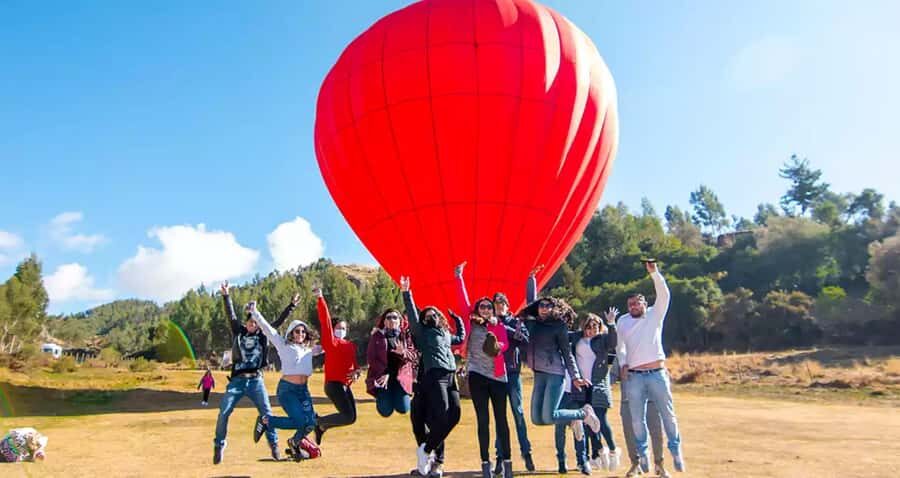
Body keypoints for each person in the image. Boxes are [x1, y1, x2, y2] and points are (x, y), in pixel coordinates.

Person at [213, 281, 298, 464]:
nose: (253, 324)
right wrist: (226, 295)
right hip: (237, 381)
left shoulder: (263, 334)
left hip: (256, 381)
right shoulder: (238, 331)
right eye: (250, 322)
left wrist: (291, 306)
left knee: (267, 413)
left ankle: (274, 446)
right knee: (223, 412)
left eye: (256, 322)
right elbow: (231, 314)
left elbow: (278, 322)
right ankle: (219, 445)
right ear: (246, 323)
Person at [616, 261, 684, 473]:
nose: (633, 307)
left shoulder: (655, 314)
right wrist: (623, 363)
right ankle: (642, 454)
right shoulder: (623, 321)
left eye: (637, 303)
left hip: (657, 373)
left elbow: (664, 295)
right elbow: (620, 346)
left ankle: (675, 450)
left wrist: (654, 273)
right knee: (637, 418)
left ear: (645, 304)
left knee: (667, 414)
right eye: (630, 305)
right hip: (635, 376)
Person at [519, 267, 602, 433]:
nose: (544, 308)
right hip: (539, 374)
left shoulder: (559, 326)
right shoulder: (533, 323)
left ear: (554, 308)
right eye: (541, 305)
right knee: (537, 419)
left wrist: (575, 377)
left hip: (555, 374)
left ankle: (582, 413)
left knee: (549, 416)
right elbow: (530, 301)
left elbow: (567, 353)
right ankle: (573, 418)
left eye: (548, 306)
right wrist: (531, 279)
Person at [401, 275, 466, 477]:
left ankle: (427, 450)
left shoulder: (445, 334)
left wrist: (458, 319)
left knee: (455, 414)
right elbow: (413, 316)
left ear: (440, 317)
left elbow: (460, 337)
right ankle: (430, 453)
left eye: (434, 314)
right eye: (428, 315)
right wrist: (406, 292)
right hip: (435, 375)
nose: (432, 317)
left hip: (451, 375)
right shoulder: (422, 333)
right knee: (441, 414)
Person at [455, 262, 513, 478]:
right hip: (477, 375)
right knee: (483, 420)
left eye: (489, 307)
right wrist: (459, 277)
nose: (486, 310)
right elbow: (463, 301)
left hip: (498, 376)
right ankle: (485, 463)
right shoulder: (471, 323)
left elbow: (505, 344)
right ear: (477, 309)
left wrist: (497, 346)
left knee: (502, 420)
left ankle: (507, 463)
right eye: (483, 307)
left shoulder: (499, 325)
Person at [249, 300, 321, 461]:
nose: (301, 334)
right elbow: (268, 329)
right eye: (297, 331)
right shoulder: (283, 345)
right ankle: (266, 421)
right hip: (287, 391)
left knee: (310, 422)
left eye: (303, 331)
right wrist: (255, 312)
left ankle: (294, 442)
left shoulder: (309, 349)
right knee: (300, 421)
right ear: (291, 333)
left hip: (303, 391)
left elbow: (329, 346)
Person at [571, 311, 621, 472]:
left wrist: (611, 324)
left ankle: (613, 450)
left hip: (598, 386)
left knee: (601, 420)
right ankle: (597, 453)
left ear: (600, 328)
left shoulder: (602, 340)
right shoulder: (577, 339)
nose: (592, 330)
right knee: (587, 423)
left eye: (595, 327)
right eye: (588, 327)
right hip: (581, 386)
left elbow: (613, 341)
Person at [492, 290, 535, 474]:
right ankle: (500, 456)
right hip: (495, 372)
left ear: (507, 306)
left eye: (502, 304)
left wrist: (504, 328)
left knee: (518, 412)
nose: (499, 307)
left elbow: (525, 340)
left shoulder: (516, 323)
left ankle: (526, 452)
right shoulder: (489, 323)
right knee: (499, 416)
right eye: (496, 304)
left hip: (512, 372)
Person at [312, 288, 361, 445]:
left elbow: (355, 366)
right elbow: (325, 320)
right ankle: (317, 421)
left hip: (346, 385)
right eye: (339, 328)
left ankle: (322, 426)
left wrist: (357, 373)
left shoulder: (350, 345)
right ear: (333, 329)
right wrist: (320, 298)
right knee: (347, 416)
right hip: (334, 385)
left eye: (344, 328)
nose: (342, 330)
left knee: (351, 418)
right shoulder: (331, 342)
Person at [611, 358, 669, 478]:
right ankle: (635, 464)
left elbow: (662, 371)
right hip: (628, 400)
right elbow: (613, 375)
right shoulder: (622, 353)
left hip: (652, 399)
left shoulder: (651, 351)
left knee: (657, 432)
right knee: (630, 433)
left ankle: (659, 464)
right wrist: (602, 386)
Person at [367, 308, 418, 418]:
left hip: (401, 377)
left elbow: (414, 355)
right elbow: (371, 359)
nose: (392, 320)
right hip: (383, 377)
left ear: (400, 320)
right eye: (389, 317)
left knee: (403, 408)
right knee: (385, 412)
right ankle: (384, 396)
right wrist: (385, 372)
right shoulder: (377, 336)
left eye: (395, 317)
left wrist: (403, 353)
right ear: (384, 321)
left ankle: (399, 396)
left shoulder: (406, 336)